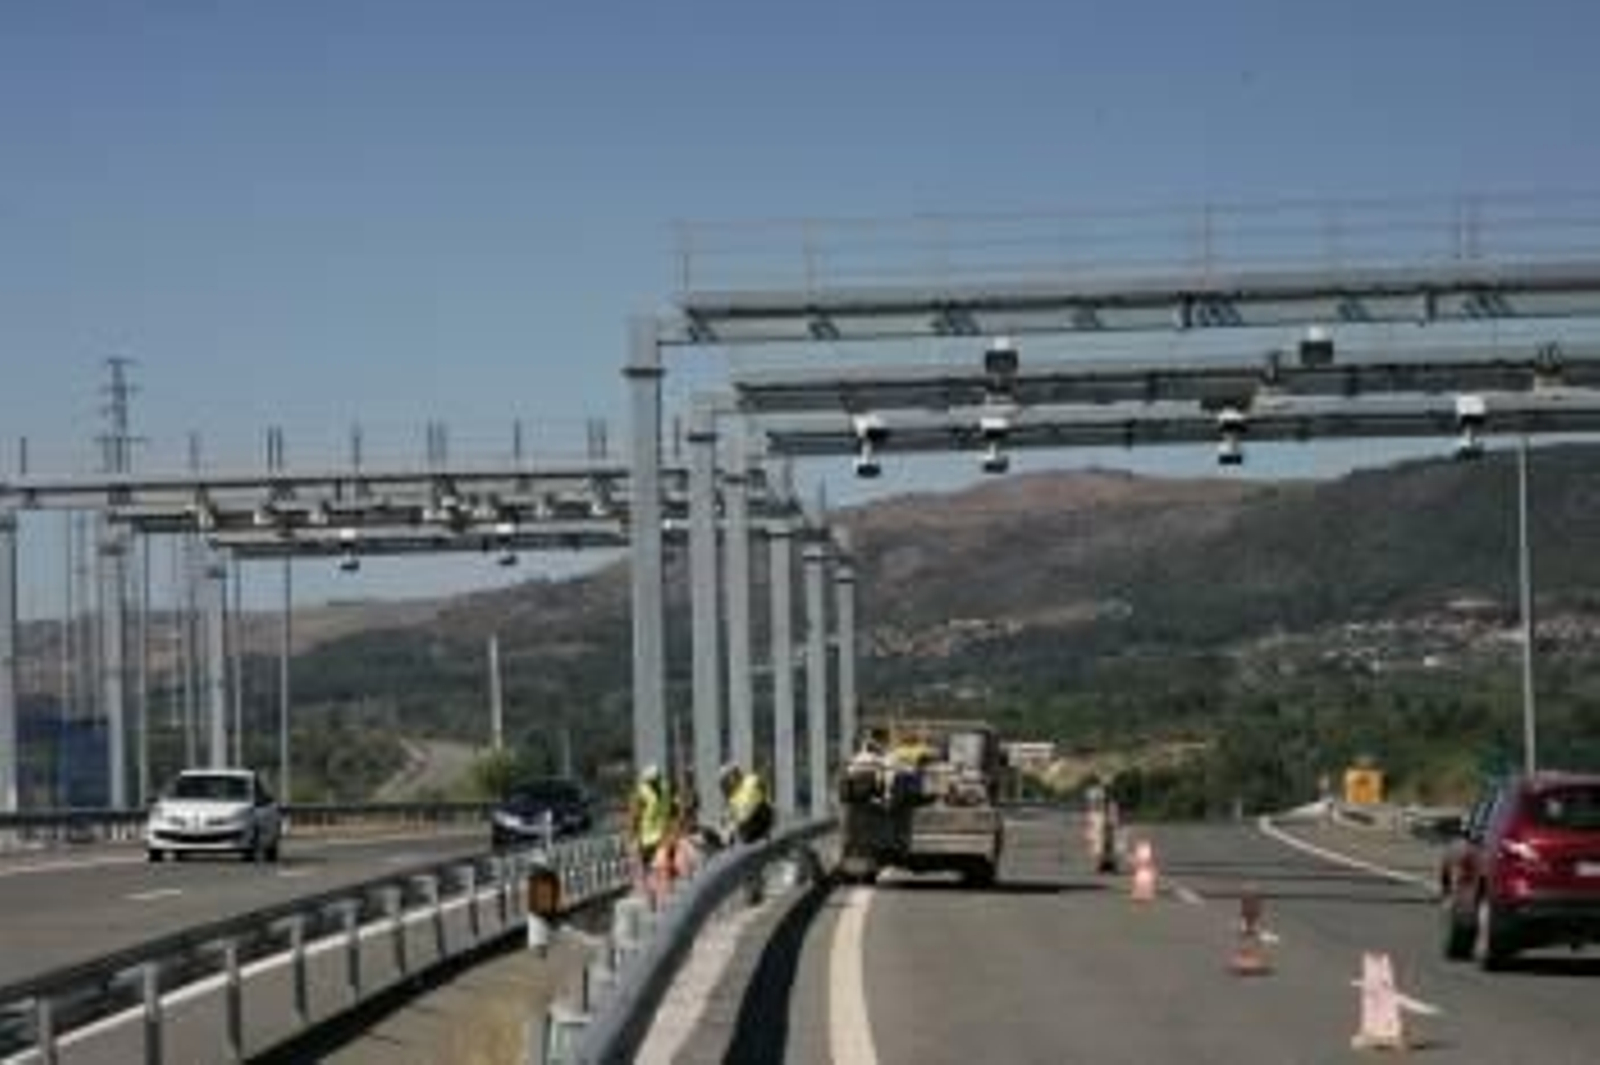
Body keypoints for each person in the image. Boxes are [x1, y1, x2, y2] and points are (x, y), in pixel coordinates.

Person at [629, 764, 670, 874]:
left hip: (655, 834)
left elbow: (635, 814)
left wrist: (632, 833)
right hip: (656, 834)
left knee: (655, 866)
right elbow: (635, 814)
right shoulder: (662, 788)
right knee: (656, 865)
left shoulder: (660, 788)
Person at [719, 762, 774, 846]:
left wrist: (734, 825)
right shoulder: (732, 796)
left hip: (758, 820)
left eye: (726, 781)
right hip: (747, 827)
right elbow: (730, 815)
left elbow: (753, 806)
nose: (725, 785)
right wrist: (727, 827)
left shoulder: (750, 781)